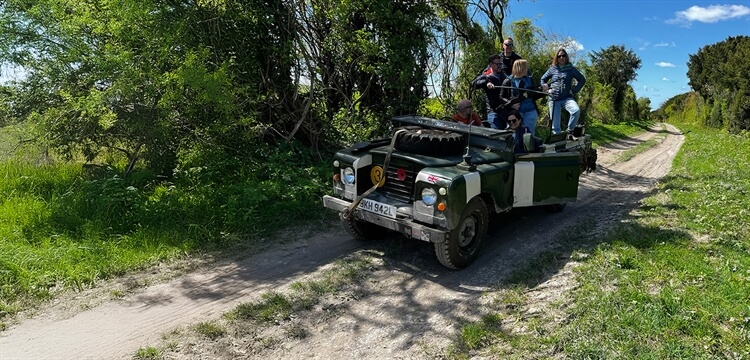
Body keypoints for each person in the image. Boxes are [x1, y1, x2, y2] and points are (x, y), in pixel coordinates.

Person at [540, 48, 586, 139]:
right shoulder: (552, 69)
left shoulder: (571, 69)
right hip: (553, 98)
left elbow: (582, 79)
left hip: (566, 98)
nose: (561, 57)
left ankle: (569, 132)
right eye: (559, 56)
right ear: (556, 58)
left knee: (575, 110)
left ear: (566, 57)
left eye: (563, 55)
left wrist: (574, 90)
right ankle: (558, 144)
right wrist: (546, 88)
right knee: (555, 125)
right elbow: (542, 79)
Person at [499, 59, 540, 135]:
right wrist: (511, 104)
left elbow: (535, 94)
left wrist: (542, 89)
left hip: (530, 111)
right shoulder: (508, 80)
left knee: (529, 135)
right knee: (514, 134)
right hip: (516, 112)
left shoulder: (529, 79)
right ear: (521, 68)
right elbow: (501, 97)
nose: (527, 69)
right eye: (526, 67)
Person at [471, 54, 508, 129]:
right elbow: (473, 84)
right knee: (496, 134)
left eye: (501, 64)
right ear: (491, 64)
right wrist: (485, 83)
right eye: (498, 64)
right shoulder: (486, 76)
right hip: (493, 111)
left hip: (505, 109)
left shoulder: (504, 76)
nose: (500, 66)